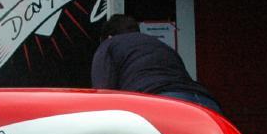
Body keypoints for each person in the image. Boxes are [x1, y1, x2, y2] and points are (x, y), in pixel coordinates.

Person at [91, 14, 221, 113]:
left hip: (163, 103)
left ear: (108, 37)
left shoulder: (110, 44)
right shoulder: (161, 45)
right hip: (206, 104)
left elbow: (104, 95)